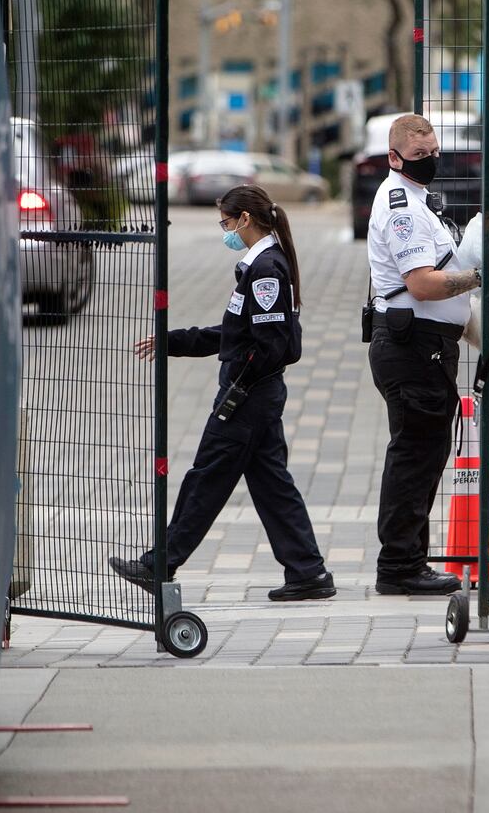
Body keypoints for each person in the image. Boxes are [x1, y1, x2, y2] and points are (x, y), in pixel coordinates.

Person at [110, 184, 334, 602]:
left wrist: (237, 392)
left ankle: (161, 562)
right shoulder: (259, 265)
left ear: (245, 220)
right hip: (255, 397)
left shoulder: (266, 269)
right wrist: (171, 340)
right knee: (272, 485)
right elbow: (234, 335)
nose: (225, 231)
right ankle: (308, 572)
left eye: (226, 222)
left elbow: (269, 348)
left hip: (247, 399)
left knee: (205, 479)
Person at [367, 114, 489, 595]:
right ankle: (400, 566)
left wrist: (486, 336)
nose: (430, 162)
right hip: (411, 345)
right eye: (419, 156)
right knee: (415, 453)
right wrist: (482, 277)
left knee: (424, 451)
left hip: (426, 344)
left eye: (433, 154)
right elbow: (423, 285)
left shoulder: (423, 204)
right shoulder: (402, 205)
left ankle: (409, 560)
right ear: (394, 157)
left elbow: (442, 295)